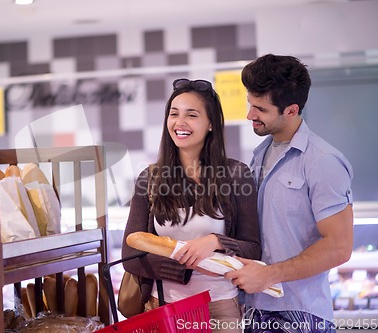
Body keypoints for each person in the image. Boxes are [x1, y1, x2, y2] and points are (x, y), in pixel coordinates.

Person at [224, 54, 354, 333]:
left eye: (260, 108)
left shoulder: (323, 161)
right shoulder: (260, 155)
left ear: (291, 110)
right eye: (250, 104)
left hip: (301, 316)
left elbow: (340, 247)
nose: (250, 115)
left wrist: (268, 275)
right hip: (255, 310)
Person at [122, 78, 261, 333]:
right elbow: (130, 254)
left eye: (192, 115)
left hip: (219, 309)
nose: (180, 122)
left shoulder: (236, 174)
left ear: (210, 124)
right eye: (174, 114)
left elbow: (253, 249)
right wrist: (184, 265)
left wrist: (216, 242)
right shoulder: (149, 178)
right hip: (161, 307)